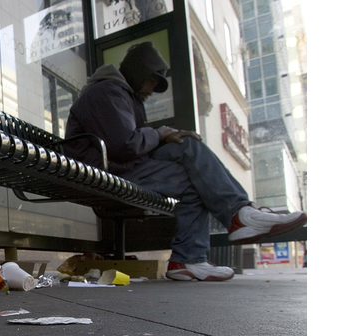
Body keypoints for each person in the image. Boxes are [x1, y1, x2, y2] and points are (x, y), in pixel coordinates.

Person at [63, 42, 307, 282]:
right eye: (150, 81)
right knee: (195, 176)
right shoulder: (107, 91)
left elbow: (129, 144)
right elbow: (125, 145)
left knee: (190, 152)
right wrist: (160, 134)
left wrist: (166, 136)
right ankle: (206, 243)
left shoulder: (125, 95)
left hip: (119, 167)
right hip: (104, 171)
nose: (151, 89)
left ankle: (210, 241)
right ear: (138, 72)